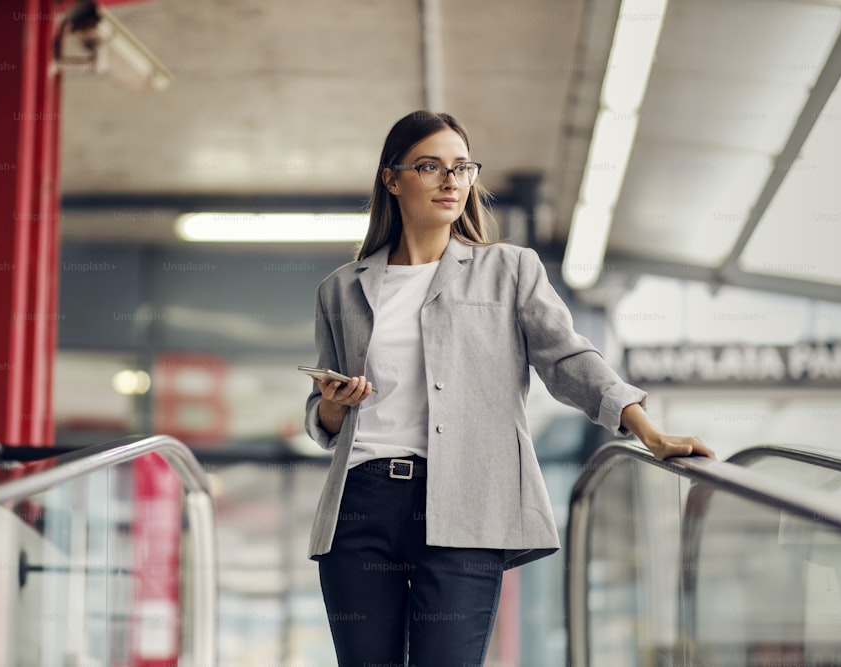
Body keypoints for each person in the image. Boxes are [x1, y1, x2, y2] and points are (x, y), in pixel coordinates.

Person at [303, 110, 715, 667]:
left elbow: (569, 359)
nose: (450, 180)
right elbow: (324, 417)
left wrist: (649, 432)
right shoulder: (342, 289)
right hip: (361, 504)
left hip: (467, 503)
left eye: (462, 167)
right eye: (430, 166)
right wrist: (330, 405)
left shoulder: (510, 270)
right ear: (392, 178)